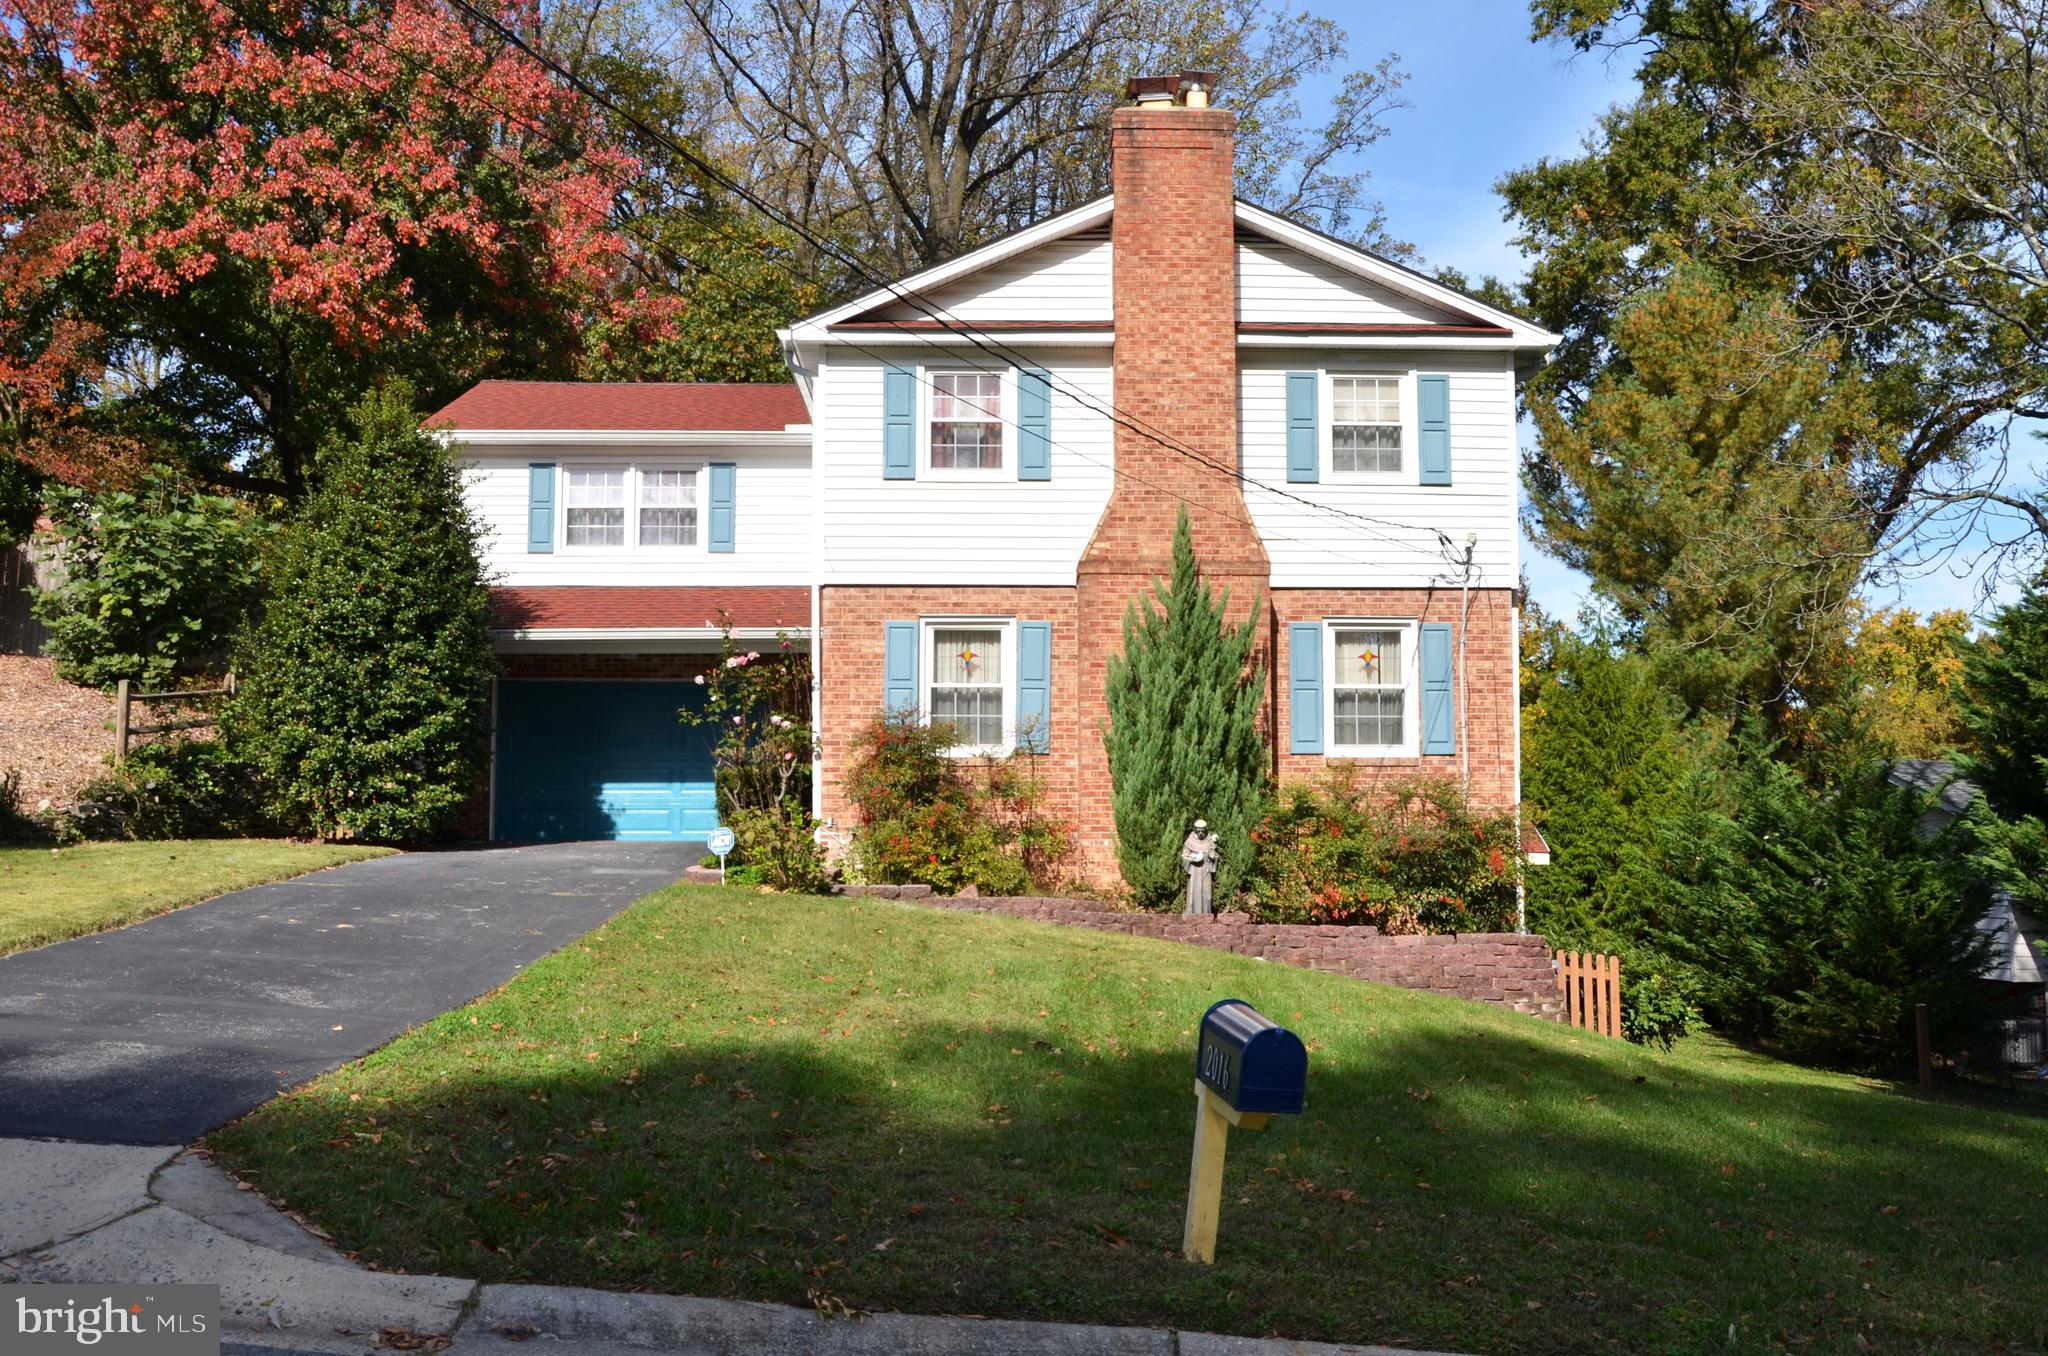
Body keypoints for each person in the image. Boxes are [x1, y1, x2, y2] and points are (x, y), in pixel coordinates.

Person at [1181, 818, 1219, 917]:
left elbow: (1215, 855)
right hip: (1194, 870)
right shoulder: (1190, 841)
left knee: (1207, 893)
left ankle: (1206, 915)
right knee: (1194, 892)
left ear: (1206, 830)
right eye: (1199, 831)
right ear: (1195, 830)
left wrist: (1213, 857)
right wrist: (1192, 859)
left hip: (1206, 869)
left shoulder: (1210, 840)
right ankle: (1192, 915)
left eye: (1203, 831)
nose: (1201, 833)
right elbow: (1184, 856)